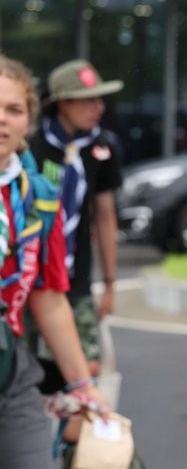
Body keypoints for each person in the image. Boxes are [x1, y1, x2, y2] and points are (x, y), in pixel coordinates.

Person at [0, 55, 110, 469]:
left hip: (9, 372)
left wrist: (84, 389)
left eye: (13, 108)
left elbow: (49, 299)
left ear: (28, 119)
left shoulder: (35, 193)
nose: (1, 119)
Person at [27, 59, 124, 389]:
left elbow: (106, 216)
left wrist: (109, 284)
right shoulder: (32, 146)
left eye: (101, 99)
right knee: (23, 370)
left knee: (87, 369)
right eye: (89, 99)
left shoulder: (102, 147)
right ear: (63, 102)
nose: (99, 107)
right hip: (28, 277)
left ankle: (72, 441)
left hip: (75, 277)